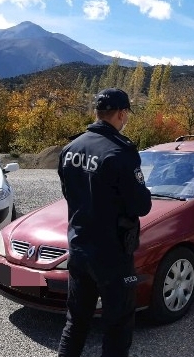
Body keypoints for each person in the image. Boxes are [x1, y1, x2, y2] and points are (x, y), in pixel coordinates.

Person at [57, 88, 152, 357]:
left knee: (76, 321)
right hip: (111, 252)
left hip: (78, 246)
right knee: (118, 323)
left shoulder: (70, 148)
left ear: (97, 113)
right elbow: (140, 205)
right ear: (122, 114)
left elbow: (69, 194)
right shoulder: (120, 151)